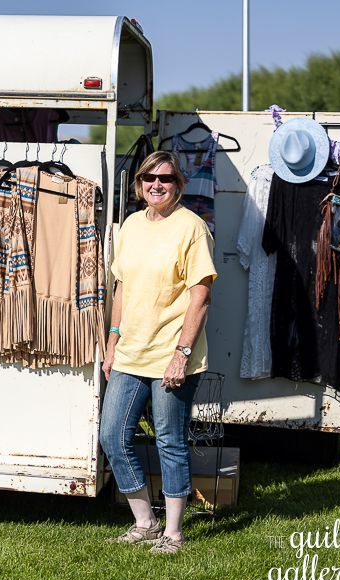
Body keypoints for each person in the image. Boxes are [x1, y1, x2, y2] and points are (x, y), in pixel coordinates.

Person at [99, 150, 217, 554]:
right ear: (138, 185)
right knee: (112, 435)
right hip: (131, 353)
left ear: (178, 184)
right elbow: (121, 288)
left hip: (171, 355)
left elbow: (200, 296)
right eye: (149, 178)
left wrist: (182, 354)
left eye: (165, 178)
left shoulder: (192, 228)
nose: (156, 184)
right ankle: (145, 521)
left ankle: (173, 534)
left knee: (169, 440)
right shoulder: (130, 226)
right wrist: (112, 341)